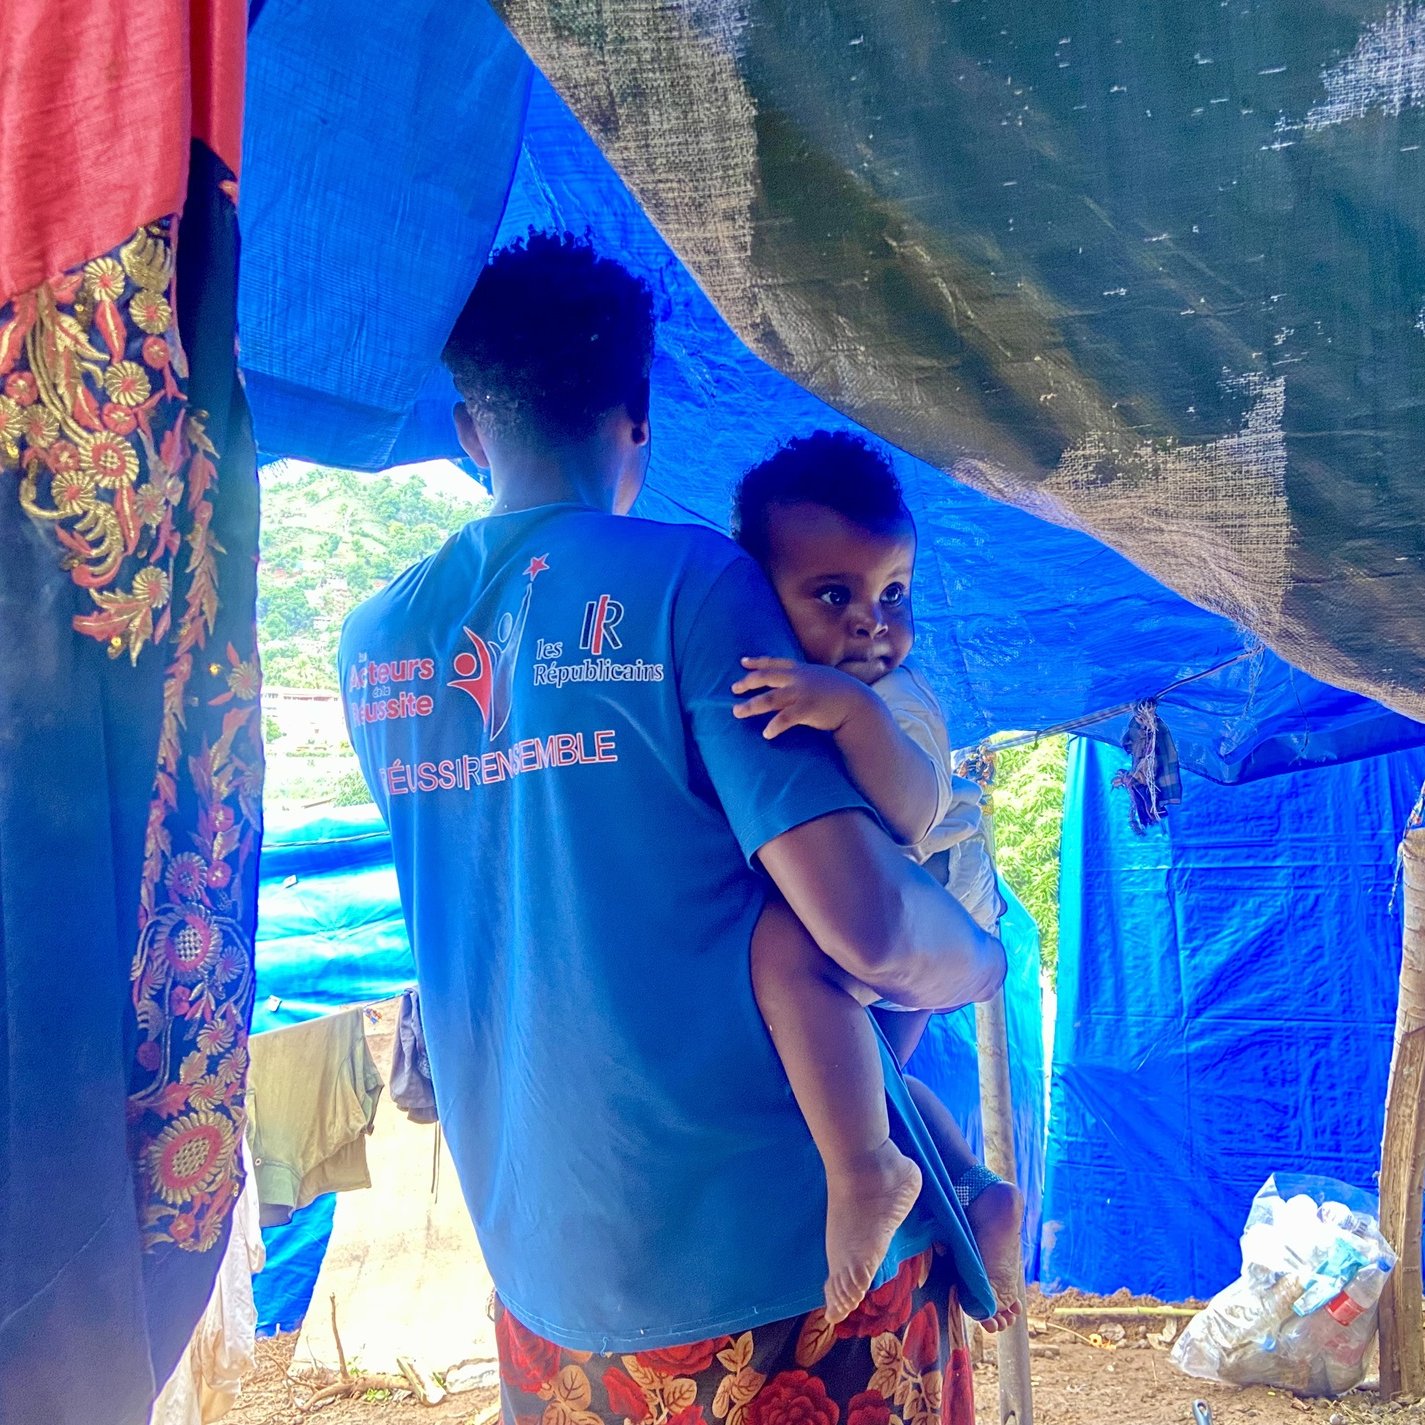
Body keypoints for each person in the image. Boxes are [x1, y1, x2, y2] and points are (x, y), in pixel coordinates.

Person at [339, 231, 1006, 1425]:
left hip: (545, 1275)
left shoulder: (372, 645)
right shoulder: (694, 584)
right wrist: (984, 953)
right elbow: (863, 926)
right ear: (638, 421)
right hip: (779, 1263)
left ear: (468, 429)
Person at [730, 431, 1024, 1331]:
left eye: (892, 594)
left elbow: (910, 807)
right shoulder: (801, 682)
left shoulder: (894, 699)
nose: (871, 623)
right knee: (867, 1080)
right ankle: (973, 1188)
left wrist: (852, 712)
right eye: (834, 594)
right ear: (757, 597)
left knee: (788, 953)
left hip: (931, 910)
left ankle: (864, 1172)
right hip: (906, 919)